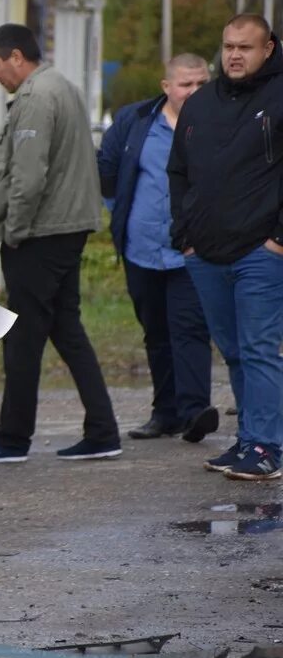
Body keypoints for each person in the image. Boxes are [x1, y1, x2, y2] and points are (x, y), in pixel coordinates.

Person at [0, 23, 121, 464]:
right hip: (67, 227)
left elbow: (27, 179)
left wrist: (14, 233)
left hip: (41, 233)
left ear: (15, 58)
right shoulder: (60, 86)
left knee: (23, 338)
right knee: (67, 329)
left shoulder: (33, 97)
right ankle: (103, 430)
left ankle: (12, 439)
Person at [168, 13, 283, 481]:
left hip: (261, 250)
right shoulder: (201, 104)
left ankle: (267, 447)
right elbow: (178, 171)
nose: (234, 55)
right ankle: (248, 440)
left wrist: (278, 239)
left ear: (269, 49)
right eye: (228, 46)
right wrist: (185, 235)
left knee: (259, 348)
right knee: (234, 350)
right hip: (206, 253)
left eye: (245, 47)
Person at [97, 54, 218, 444]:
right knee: (156, 333)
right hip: (141, 250)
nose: (194, 92)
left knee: (190, 330)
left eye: (201, 84)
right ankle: (164, 413)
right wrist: (120, 214)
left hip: (192, 252)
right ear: (167, 87)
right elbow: (108, 171)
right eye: (186, 85)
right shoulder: (136, 122)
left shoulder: (218, 124)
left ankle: (195, 413)